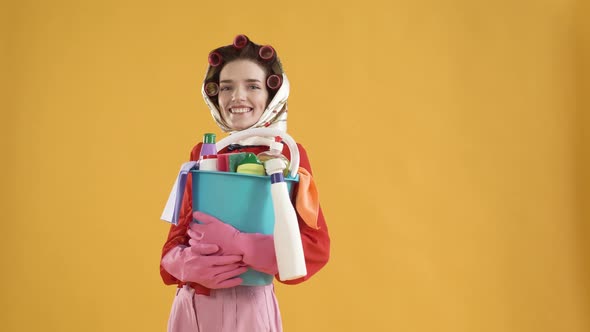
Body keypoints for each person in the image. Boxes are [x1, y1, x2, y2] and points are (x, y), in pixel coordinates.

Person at [160, 35, 330, 332]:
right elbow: (175, 240)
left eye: (252, 86)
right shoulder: (200, 155)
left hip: (245, 310)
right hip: (187, 308)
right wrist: (183, 264)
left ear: (272, 94)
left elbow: (314, 250)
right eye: (227, 87)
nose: (237, 97)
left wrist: (240, 243)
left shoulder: (288, 154)